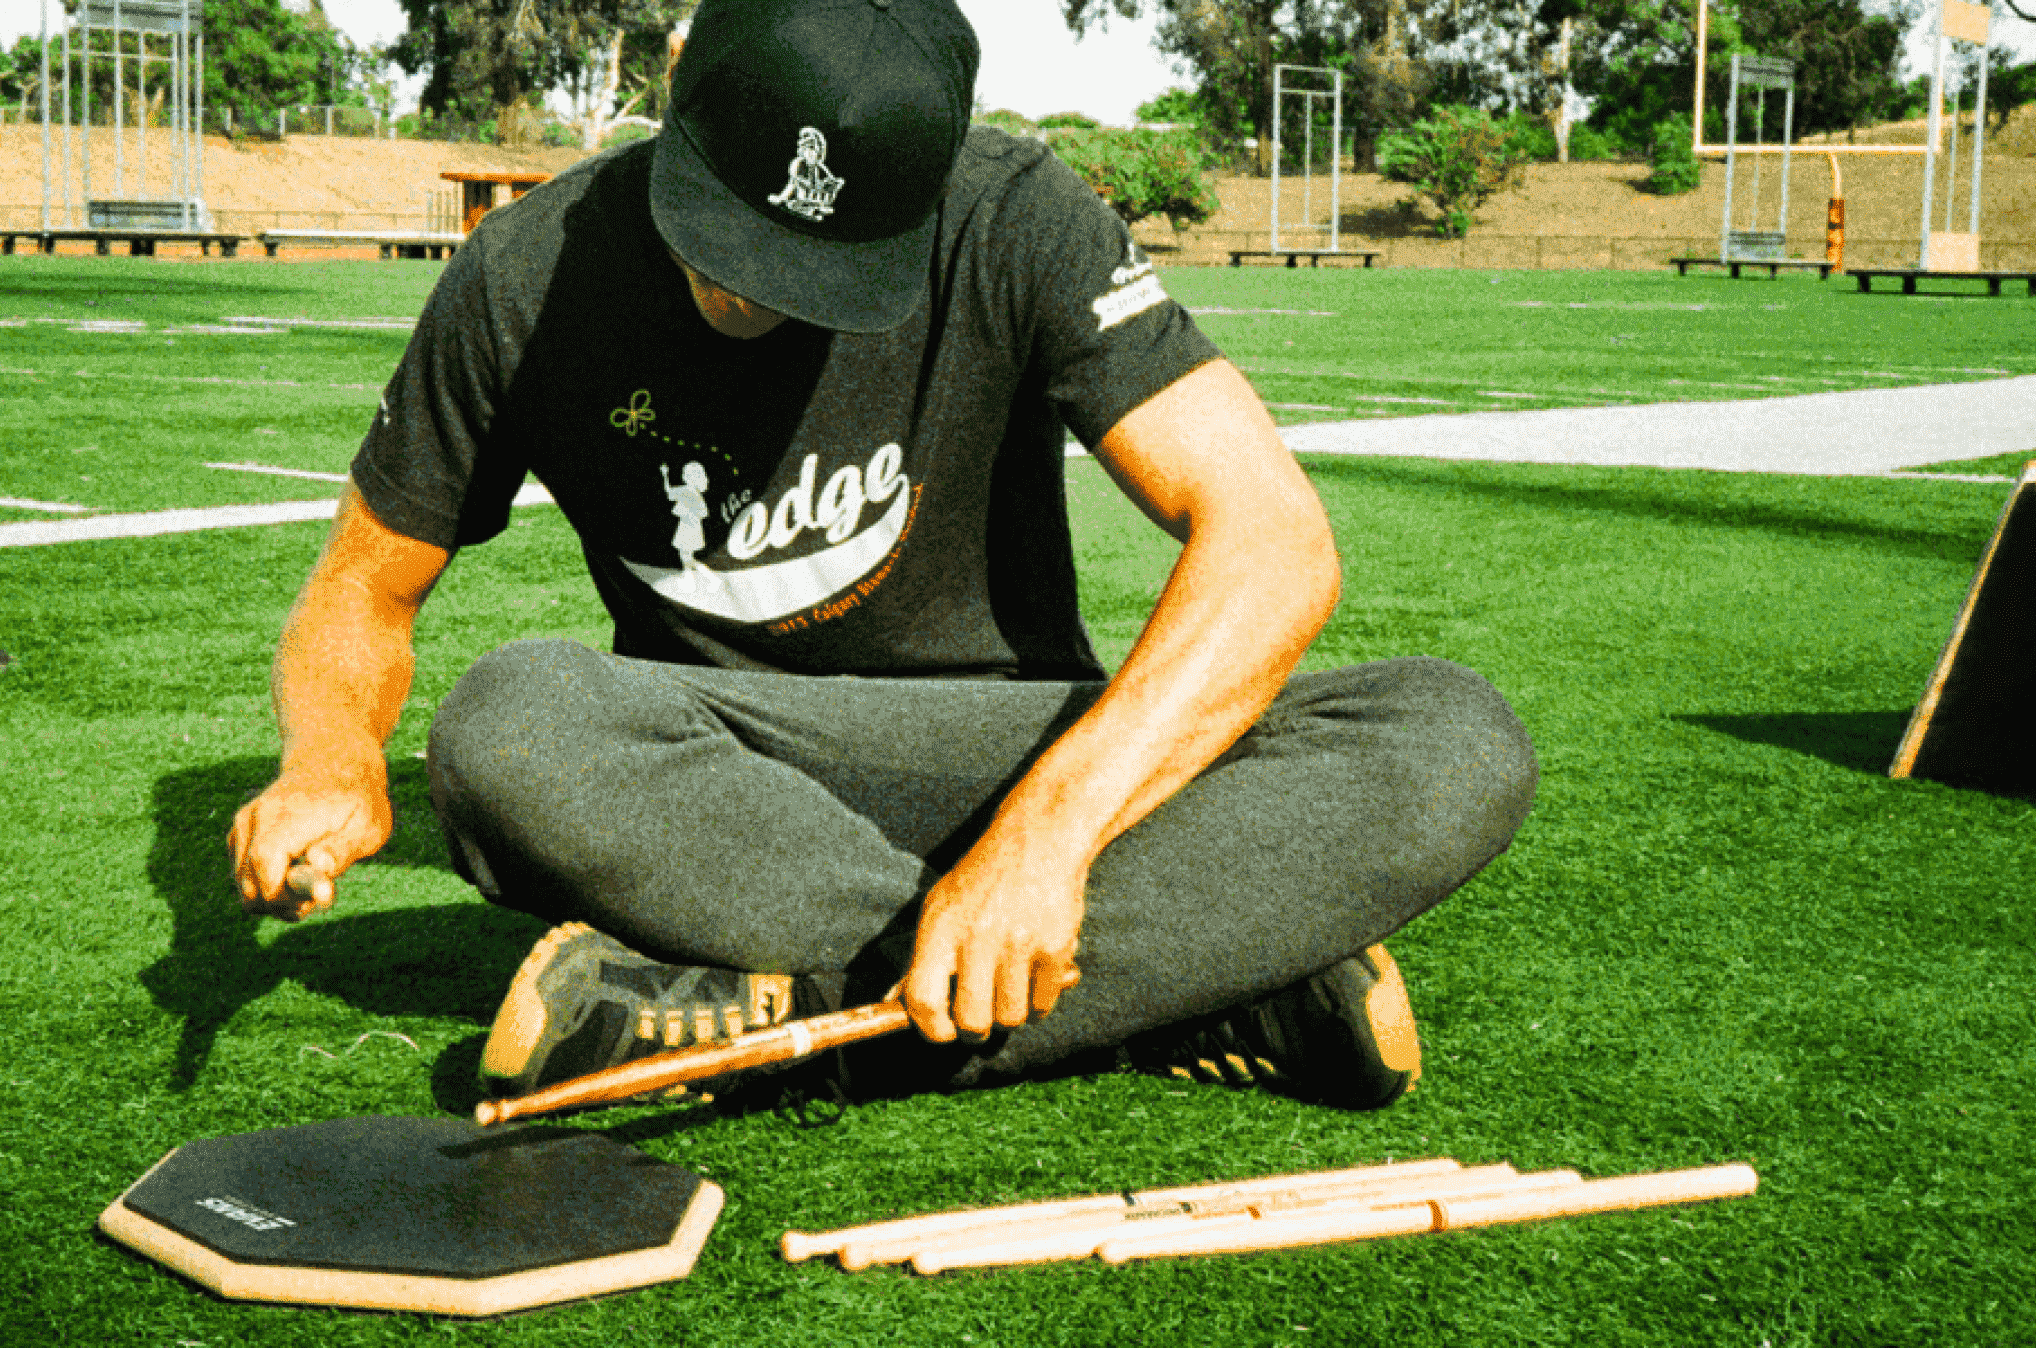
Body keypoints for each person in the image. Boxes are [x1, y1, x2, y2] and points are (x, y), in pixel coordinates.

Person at [228, 0, 1536, 1113]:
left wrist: (1043, 843)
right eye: (725, 234)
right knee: (509, 728)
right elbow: (363, 583)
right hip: (729, 773)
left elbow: (1272, 540)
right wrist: (330, 764)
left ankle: (770, 1020)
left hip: (1011, 741)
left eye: (814, 264)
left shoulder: (1016, 214)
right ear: (677, 79)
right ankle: (1188, 993)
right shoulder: (523, 276)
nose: (752, 292)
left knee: (1449, 738)